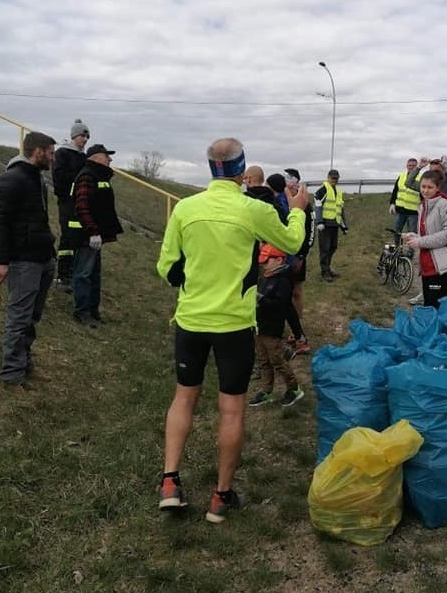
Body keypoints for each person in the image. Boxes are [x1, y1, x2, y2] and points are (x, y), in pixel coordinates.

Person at [156, 138, 307, 523]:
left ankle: (170, 483)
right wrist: (298, 210)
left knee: (183, 398)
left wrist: (196, 281)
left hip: (191, 320)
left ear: (210, 168)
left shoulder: (186, 209)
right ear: (242, 171)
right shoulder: (252, 208)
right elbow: (292, 242)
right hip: (235, 325)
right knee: (231, 409)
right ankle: (220, 498)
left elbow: (166, 267)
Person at [0, 132, 57, 390]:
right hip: (23, 262)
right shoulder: (12, 179)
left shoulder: (36, 179)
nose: (52, 158)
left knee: (32, 317)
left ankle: (25, 364)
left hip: (42, 259)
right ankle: (12, 375)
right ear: (37, 151)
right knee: (19, 318)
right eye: (50, 153)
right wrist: (1, 261)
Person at [68, 144, 123, 327]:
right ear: (96, 158)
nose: (110, 159)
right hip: (86, 237)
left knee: (93, 274)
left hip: (95, 237)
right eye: (107, 156)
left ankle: (92, 311)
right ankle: (82, 312)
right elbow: (82, 206)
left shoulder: (98, 175)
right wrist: (93, 231)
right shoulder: (87, 176)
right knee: (83, 274)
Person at [248, 243, 305, 407]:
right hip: (259, 326)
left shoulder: (283, 281)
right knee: (263, 360)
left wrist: (261, 299)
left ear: (279, 260)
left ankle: (294, 389)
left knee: (277, 360)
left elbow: (282, 306)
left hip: (272, 328)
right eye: (262, 262)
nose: (263, 264)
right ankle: (266, 391)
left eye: (266, 261)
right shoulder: (266, 276)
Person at [403, 170, 447, 308]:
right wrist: (414, 237)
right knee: (428, 305)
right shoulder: (422, 205)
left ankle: (439, 329)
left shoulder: (445, 205)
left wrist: (420, 242)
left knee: (436, 307)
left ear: (438, 187)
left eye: (430, 187)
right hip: (427, 265)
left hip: (441, 267)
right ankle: (432, 329)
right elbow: (429, 233)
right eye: (423, 186)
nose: (425, 190)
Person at [52, 119, 90, 292]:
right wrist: (69, 193)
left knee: (78, 236)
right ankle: (62, 275)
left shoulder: (83, 156)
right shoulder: (62, 153)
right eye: (83, 135)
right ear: (75, 136)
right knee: (67, 237)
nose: (85, 139)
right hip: (68, 203)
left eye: (87, 136)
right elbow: (59, 177)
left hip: (80, 203)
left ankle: (74, 273)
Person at [282, 167, 314, 356]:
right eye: (286, 177)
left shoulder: (304, 205)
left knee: (296, 291)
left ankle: (297, 328)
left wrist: (302, 256)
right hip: (283, 254)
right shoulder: (282, 201)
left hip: (298, 255)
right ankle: (292, 327)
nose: (288, 181)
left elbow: (309, 235)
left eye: (291, 178)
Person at [314, 169, 346, 282]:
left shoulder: (338, 192)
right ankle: (325, 271)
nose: (334, 180)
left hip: (334, 225)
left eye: (336, 178)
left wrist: (344, 226)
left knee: (333, 247)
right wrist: (319, 221)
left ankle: (327, 268)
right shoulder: (323, 190)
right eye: (332, 178)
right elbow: (317, 205)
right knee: (324, 249)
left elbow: (340, 210)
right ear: (328, 177)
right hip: (325, 225)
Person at [389, 158, 424, 244]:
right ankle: (397, 249)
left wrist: (422, 208)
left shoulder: (421, 178)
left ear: (417, 166)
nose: (411, 167)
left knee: (412, 234)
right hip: (400, 210)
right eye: (409, 165)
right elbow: (395, 191)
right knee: (397, 231)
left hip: (413, 212)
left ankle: (410, 253)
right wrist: (392, 204)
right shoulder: (401, 176)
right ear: (406, 166)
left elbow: (423, 195)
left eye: (413, 166)